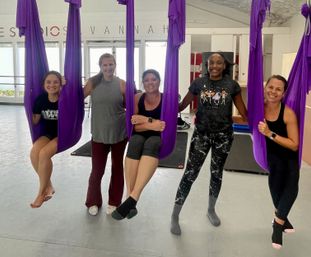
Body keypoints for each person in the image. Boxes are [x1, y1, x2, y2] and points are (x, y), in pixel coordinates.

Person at [170, 52, 247, 235]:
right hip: (201, 136)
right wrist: (166, 101)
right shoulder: (198, 83)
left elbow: (243, 111)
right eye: (211, 62)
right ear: (207, 64)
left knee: (216, 174)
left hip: (223, 137)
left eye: (218, 62)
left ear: (224, 65)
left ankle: (211, 210)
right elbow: (182, 106)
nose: (214, 65)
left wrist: (262, 118)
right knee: (190, 174)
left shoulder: (232, 85)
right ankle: (175, 215)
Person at [111, 69, 165, 220]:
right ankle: (130, 198)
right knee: (135, 141)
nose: (150, 83)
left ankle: (133, 196)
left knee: (152, 143)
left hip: (158, 137)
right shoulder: (137, 98)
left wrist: (143, 120)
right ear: (143, 82)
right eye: (146, 80)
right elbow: (135, 126)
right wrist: (152, 123)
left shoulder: (166, 99)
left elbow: (163, 127)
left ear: (159, 81)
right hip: (140, 134)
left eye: (153, 79)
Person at [258, 75, 299, 250]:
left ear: (283, 93)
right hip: (272, 159)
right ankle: (283, 219)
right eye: (271, 87)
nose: (273, 92)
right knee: (276, 195)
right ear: (266, 87)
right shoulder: (259, 108)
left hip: (288, 157)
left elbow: (294, 145)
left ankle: (277, 225)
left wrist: (269, 133)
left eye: (278, 89)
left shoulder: (288, 113)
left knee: (291, 189)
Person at [84, 53, 127, 216]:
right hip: (99, 134)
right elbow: (75, 97)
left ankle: (114, 202)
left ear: (115, 65)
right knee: (97, 171)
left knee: (117, 168)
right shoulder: (92, 83)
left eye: (111, 64)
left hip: (119, 133)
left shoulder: (122, 84)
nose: (108, 67)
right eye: (105, 65)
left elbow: (134, 103)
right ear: (100, 66)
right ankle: (93, 201)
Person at [30, 71, 63, 208]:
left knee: (44, 154)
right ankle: (49, 186)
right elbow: (36, 120)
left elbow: (76, 93)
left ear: (60, 84)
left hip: (63, 134)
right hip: (48, 133)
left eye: (56, 82)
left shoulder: (65, 98)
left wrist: (68, 85)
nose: (52, 85)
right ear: (44, 84)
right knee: (34, 153)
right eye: (48, 82)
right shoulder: (41, 99)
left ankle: (41, 193)